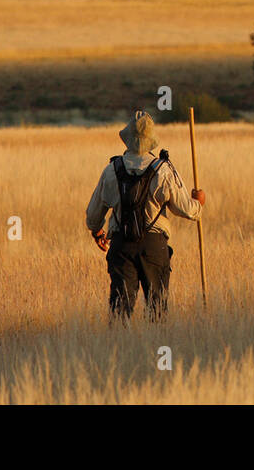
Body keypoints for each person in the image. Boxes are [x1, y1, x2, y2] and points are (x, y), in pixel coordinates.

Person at [85, 109, 205, 321]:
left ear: (127, 139)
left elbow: (93, 216)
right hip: (154, 248)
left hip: (121, 247)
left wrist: (97, 232)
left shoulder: (111, 170)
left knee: (120, 314)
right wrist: (199, 202)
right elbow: (187, 210)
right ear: (151, 142)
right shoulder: (164, 170)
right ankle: (158, 350)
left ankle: (119, 352)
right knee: (157, 313)